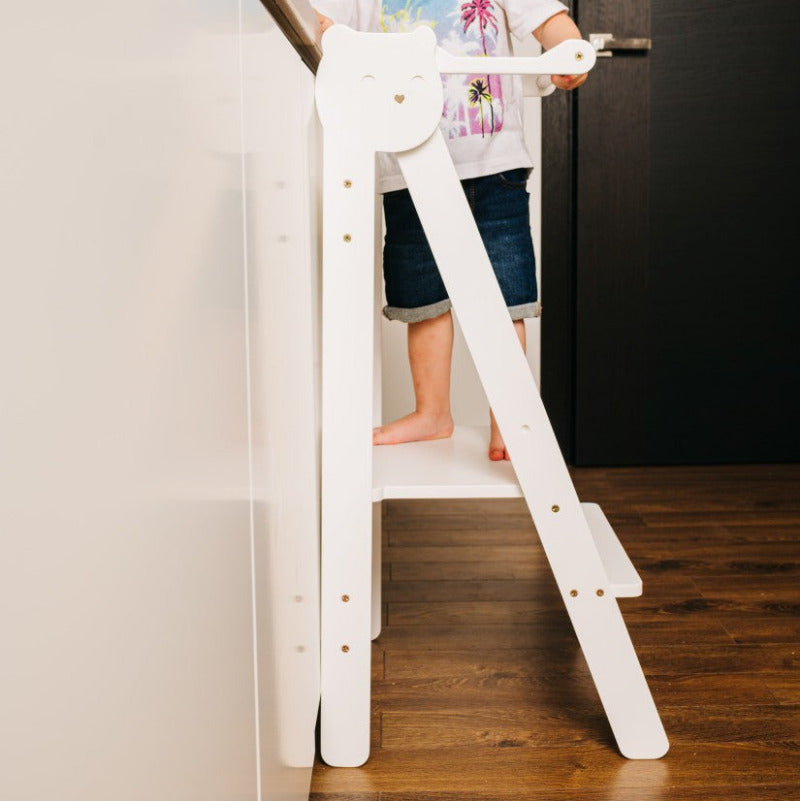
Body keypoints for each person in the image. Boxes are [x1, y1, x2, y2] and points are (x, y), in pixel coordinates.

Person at [314, 0, 587, 460]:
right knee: (423, 297)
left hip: (493, 166)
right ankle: (433, 412)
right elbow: (322, 26)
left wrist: (568, 51)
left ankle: (510, 420)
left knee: (505, 301)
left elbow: (547, 20)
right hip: (406, 166)